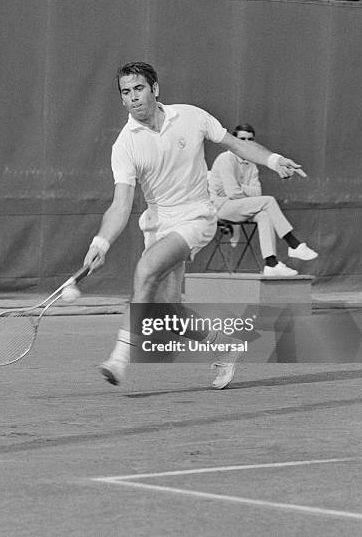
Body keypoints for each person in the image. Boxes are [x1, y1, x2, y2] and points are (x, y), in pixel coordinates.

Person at [83, 62, 309, 390]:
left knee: (145, 270)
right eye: (126, 92)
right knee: (166, 313)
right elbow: (121, 205)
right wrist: (100, 243)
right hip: (159, 227)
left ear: (155, 89)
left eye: (139, 89)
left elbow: (235, 145)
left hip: (198, 217)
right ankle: (226, 345)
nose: (133, 98)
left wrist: (273, 160)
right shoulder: (125, 146)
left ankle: (119, 358)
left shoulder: (191, 116)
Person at [208, 123, 318, 277]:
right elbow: (234, 194)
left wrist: (241, 187)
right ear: (235, 140)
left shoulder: (252, 164)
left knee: (264, 215)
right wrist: (245, 193)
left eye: (250, 139)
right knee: (268, 201)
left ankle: (271, 263)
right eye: (242, 139)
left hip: (239, 207)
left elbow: (256, 192)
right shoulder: (226, 159)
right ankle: (294, 244)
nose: (246, 142)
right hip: (222, 208)